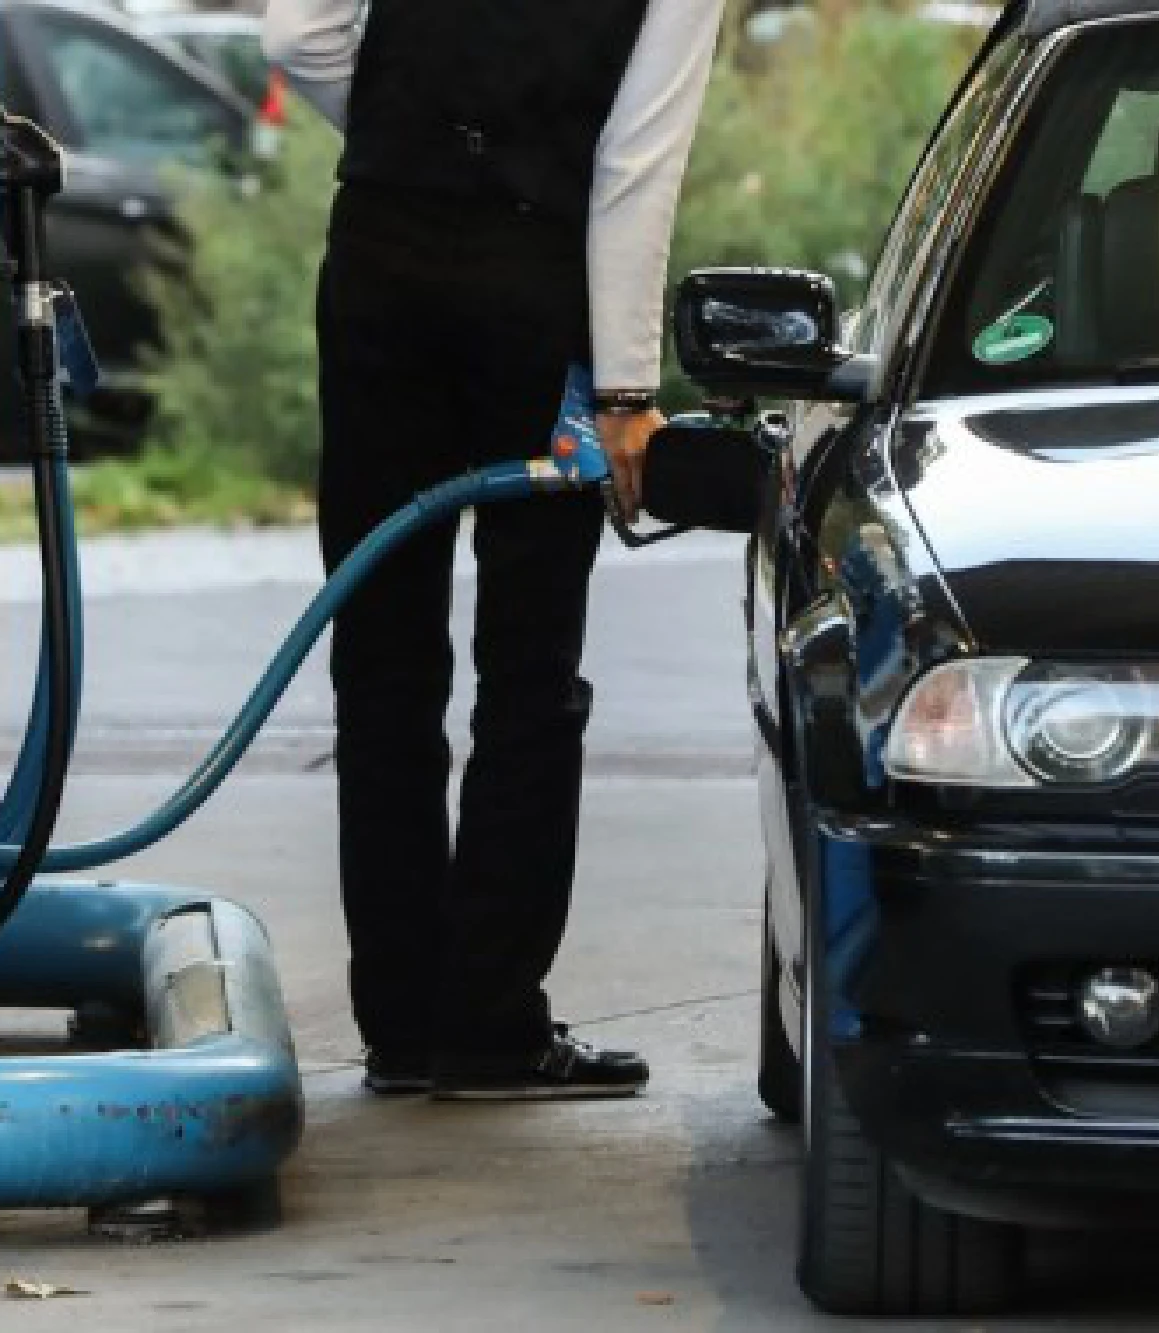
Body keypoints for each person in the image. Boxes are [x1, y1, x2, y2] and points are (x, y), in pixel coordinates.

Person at [264, 0, 724, 1100]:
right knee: (525, 665)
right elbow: (632, 160)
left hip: (379, 253)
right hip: (534, 273)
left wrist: (406, 146)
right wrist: (623, 391)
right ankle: (485, 1025)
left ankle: (400, 1018)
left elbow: (297, 40)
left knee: (380, 657)